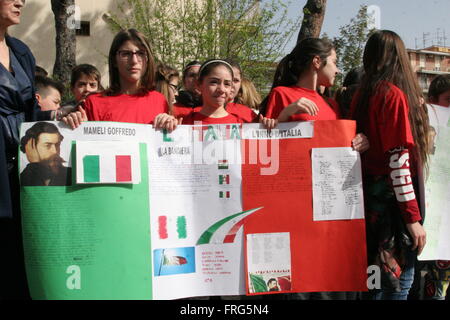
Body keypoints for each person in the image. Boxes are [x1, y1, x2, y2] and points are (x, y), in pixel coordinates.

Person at [350, 30, 430, 300]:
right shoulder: (392, 95)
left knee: (375, 283)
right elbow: (398, 161)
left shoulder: (359, 94)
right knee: (400, 284)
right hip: (392, 207)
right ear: (398, 57)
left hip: (368, 202)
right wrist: (413, 218)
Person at [81, 29, 168, 125]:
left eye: (141, 53)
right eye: (126, 54)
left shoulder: (159, 101)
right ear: (114, 60)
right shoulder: (94, 103)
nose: (134, 60)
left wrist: (171, 126)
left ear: (147, 59)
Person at [19, 121, 71, 186]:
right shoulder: (23, 177)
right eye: (48, 145)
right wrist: (34, 164)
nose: (54, 151)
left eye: (57, 145)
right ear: (31, 148)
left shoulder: (71, 174)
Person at [223, 59, 258, 123]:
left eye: (236, 80)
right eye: (226, 80)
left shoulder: (250, 115)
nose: (231, 84)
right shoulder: (200, 112)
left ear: (241, 82)